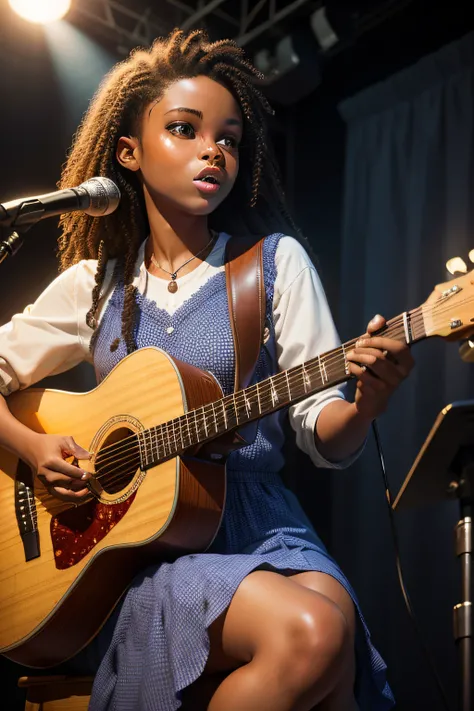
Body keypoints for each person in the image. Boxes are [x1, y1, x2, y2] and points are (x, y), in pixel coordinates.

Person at [0, 29, 414, 711]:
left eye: (227, 138)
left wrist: (365, 402)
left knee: (334, 648)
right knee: (313, 633)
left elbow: (326, 437)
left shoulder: (272, 265)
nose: (212, 151)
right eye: (185, 130)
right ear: (128, 152)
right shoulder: (96, 287)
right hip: (136, 553)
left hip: (266, 525)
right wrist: (36, 446)